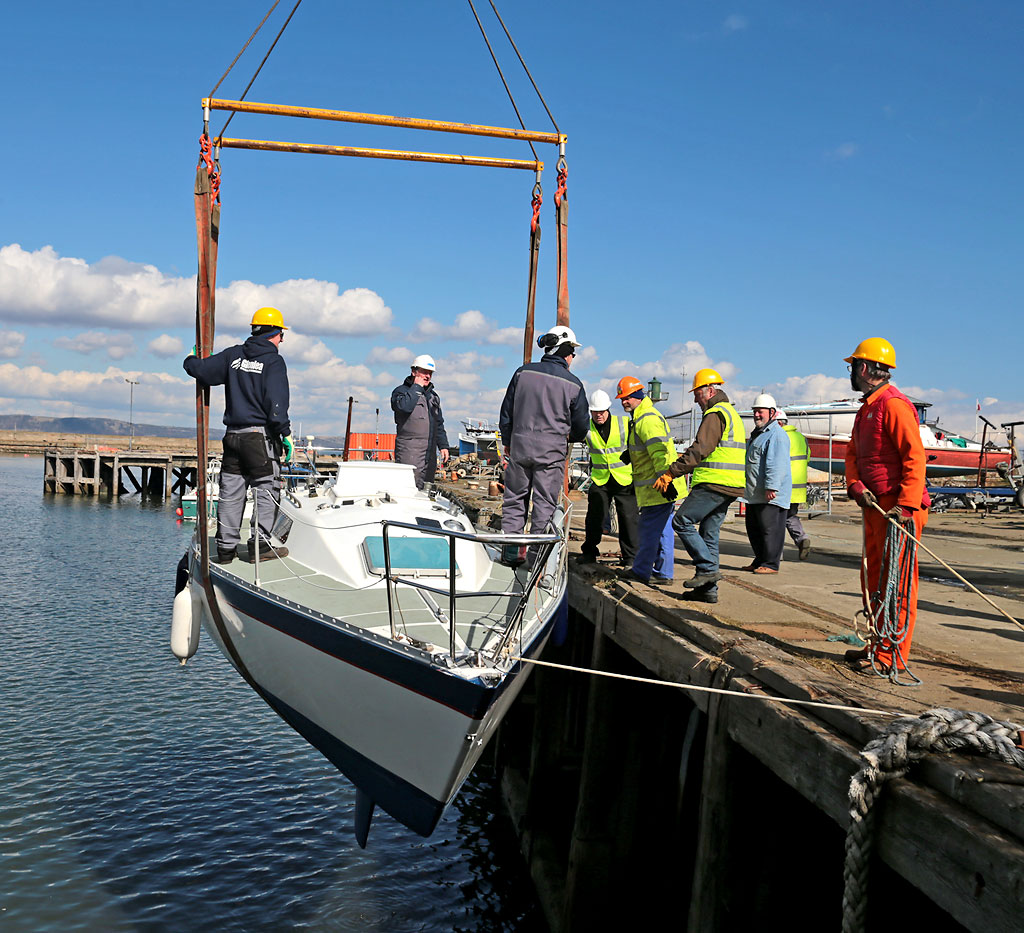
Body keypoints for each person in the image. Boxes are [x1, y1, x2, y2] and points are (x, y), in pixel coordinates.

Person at [842, 338, 929, 674]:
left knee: (898, 585)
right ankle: (877, 642)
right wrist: (855, 484)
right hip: (875, 506)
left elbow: (914, 457)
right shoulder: (868, 408)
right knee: (875, 580)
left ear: (863, 368)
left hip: (897, 511)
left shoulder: (893, 405)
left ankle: (890, 655)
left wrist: (906, 507)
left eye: (853, 366)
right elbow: (853, 454)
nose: (851, 372)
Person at [183, 307, 292, 563]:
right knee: (267, 490)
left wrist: (191, 358)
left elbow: (201, 371)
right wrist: (284, 434)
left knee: (231, 493)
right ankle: (261, 547)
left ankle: (225, 550)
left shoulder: (234, 356)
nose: (282, 341)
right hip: (258, 438)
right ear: (274, 333)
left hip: (232, 437)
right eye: (281, 335)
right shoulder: (273, 361)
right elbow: (276, 405)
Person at [654, 368, 745, 604]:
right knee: (709, 534)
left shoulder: (715, 414)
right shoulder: (731, 413)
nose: (695, 399)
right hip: (731, 485)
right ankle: (708, 590)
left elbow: (699, 450)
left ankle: (706, 569)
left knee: (681, 521)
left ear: (711, 390)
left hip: (714, 483)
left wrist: (671, 473)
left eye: (698, 393)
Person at [499, 325, 589, 563]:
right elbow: (581, 426)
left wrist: (508, 441)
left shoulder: (522, 373)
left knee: (515, 499)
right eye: (573, 353)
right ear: (566, 350)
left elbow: (506, 412)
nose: (573, 358)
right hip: (551, 454)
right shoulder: (574, 384)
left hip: (519, 448)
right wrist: (568, 437)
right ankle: (536, 563)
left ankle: (510, 554)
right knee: (544, 506)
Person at [617, 377, 687, 585]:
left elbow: (659, 452)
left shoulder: (646, 419)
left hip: (657, 487)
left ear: (639, 396)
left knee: (648, 531)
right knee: (663, 530)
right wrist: (631, 453)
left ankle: (641, 571)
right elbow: (651, 448)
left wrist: (664, 479)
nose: (624, 402)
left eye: (627, 397)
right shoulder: (642, 416)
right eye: (621, 398)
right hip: (659, 485)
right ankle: (663, 573)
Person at [579, 389, 638, 566]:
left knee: (629, 519)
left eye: (602, 411)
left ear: (608, 409)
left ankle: (631, 558)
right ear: (590, 411)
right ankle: (589, 552)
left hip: (624, 478)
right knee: (594, 517)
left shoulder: (624, 423)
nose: (598, 415)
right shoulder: (586, 428)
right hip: (600, 479)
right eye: (595, 412)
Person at [742, 393, 791, 574]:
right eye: (754, 411)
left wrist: (772, 486)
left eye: (760, 411)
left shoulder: (776, 435)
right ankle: (760, 560)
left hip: (769, 494)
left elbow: (776, 463)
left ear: (772, 412)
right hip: (755, 493)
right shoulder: (759, 434)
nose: (756, 415)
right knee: (755, 528)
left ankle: (770, 563)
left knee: (770, 530)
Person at [391, 354, 450, 488]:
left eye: (430, 373)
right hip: (409, 450)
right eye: (424, 372)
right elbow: (403, 408)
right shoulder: (400, 392)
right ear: (414, 371)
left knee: (426, 489)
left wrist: (444, 446)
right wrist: (416, 388)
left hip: (429, 453)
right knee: (407, 487)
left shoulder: (433, 397)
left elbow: (438, 423)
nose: (427, 376)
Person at [777, 409, 812, 560]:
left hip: (783, 486)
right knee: (790, 516)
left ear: (779, 423)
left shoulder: (780, 436)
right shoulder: (801, 437)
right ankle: (802, 539)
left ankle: (776, 554)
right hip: (798, 489)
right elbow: (808, 458)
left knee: (776, 519)